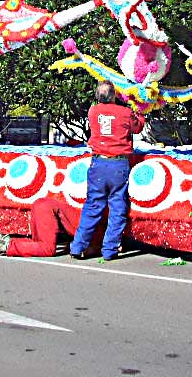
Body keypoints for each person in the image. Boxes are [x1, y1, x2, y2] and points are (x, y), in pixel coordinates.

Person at [68, 80, 145, 261]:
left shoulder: (93, 111)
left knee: (93, 206)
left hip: (98, 164)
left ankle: (77, 246)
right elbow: (138, 127)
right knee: (117, 207)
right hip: (118, 165)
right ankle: (110, 250)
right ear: (113, 95)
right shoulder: (125, 113)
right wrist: (139, 111)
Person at [0, 197, 105, 257]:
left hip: (42, 204)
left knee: (38, 243)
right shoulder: (101, 232)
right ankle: (6, 245)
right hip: (47, 209)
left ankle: (6, 241)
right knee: (46, 249)